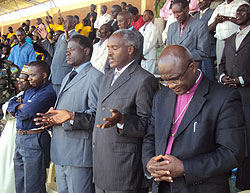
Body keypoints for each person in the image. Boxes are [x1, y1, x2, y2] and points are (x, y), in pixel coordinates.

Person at [37, 29, 159, 193]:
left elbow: (148, 124)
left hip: (124, 168)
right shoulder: (108, 76)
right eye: (108, 48)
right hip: (100, 163)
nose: (109, 52)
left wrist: (123, 121)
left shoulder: (144, 79)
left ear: (130, 50)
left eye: (114, 48)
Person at [142, 45, 245, 193]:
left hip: (201, 187)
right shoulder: (161, 96)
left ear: (192, 67)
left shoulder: (224, 98)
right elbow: (150, 136)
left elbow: (232, 153)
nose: (170, 85)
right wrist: (149, 163)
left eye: (175, 79)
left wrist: (185, 168)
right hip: (163, 187)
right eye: (165, 81)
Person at [35, 35, 103, 193]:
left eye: (72, 49)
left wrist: (71, 116)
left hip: (79, 154)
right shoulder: (67, 76)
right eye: (66, 50)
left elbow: (96, 117)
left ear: (86, 51)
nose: (67, 53)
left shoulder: (95, 78)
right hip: (60, 151)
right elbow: (64, 111)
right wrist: (52, 118)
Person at [7, 61, 57, 193]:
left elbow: (25, 113)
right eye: (28, 76)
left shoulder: (47, 92)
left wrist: (19, 108)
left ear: (44, 75)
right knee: (20, 183)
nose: (29, 79)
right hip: (20, 138)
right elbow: (11, 104)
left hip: (34, 140)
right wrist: (18, 106)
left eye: (32, 75)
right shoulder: (29, 91)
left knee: (33, 186)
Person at [218, 4, 250, 190]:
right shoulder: (230, 39)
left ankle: (244, 181)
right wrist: (223, 77)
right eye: (237, 12)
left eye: (243, 11)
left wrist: (240, 80)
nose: (238, 14)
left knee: (246, 139)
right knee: (231, 135)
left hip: (247, 96)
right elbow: (221, 63)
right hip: (230, 97)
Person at [0, 66, 31, 193]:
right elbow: (7, 107)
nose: (19, 82)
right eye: (19, 79)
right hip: (9, 134)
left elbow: (26, 111)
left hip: (20, 134)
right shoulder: (20, 95)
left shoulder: (37, 94)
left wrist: (14, 108)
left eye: (23, 80)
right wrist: (15, 107)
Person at [38, 15, 78, 95]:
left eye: (66, 21)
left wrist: (68, 40)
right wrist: (45, 39)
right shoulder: (61, 37)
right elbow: (53, 52)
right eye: (63, 21)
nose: (63, 23)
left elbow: (75, 52)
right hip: (54, 74)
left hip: (63, 75)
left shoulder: (76, 36)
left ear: (73, 23)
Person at [167, 0, 210, 68]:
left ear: (187, 9)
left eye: (179, 12)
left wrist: (183, 54)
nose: (176, 16)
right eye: (174, 13)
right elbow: (168, 49)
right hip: (174, 70)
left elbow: (204, 53)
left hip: (191, 71)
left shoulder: (200, 26)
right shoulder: (171, 27)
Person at [208, 0, 247, 70]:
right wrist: (216, 21)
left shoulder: (242, 4)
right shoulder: (219, 7)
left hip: (237, 40)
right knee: (221, 65)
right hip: (220, 41)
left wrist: (228, 19)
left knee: (236, 65)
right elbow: (209, 28)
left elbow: (245, 21)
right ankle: (222, 80)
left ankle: (236, 80)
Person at [194, 0, 215, 80]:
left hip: (208, 47)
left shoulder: (213, 12)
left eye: (202, 0)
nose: (199, 2)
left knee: (208, 73)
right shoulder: (196, 15)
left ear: (209, 1)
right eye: (198, 1)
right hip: (197, 48)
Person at [139, 10, 159, 74]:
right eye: (143, 15)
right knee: (142, 74)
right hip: (142, 55)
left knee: (149, 74)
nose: (144, 17)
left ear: (151, 17)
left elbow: (151, 42)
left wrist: (143, 53)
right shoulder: (141, 28)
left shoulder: (154, 28)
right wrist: (140, 52)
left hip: (150, 55)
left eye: (146, 15)